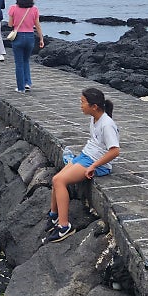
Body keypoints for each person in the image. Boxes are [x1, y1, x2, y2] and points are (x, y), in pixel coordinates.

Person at [45, 88, 120, 243]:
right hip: (86, 156)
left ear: (94, 106)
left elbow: (115, 151)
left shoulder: (107, 124)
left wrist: (94, 166)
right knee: (56, 179)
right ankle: (54, 216)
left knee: (60, 181)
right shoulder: (94, 118)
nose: (81, 106)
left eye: (83, 103)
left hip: (95, 162)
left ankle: (64, 226)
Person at [8, 0, 44, 92]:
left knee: (19, 63)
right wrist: (41, 38)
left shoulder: (13, 8)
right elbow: (37, 26)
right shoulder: (34, 9)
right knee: (26, 61)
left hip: (18, 36)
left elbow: (10, 24)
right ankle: (27, 83)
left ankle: (20, 88)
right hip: (30, 36)